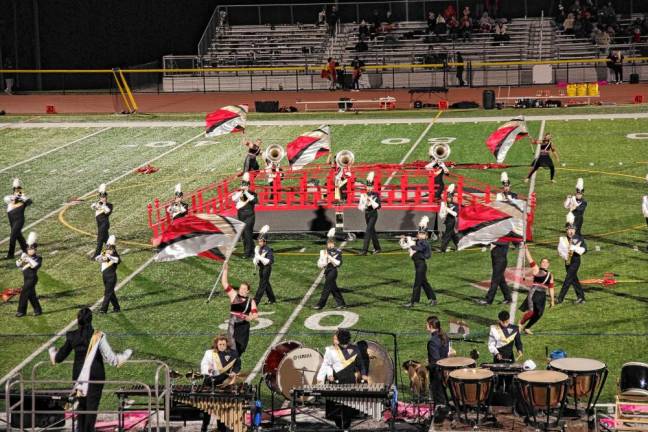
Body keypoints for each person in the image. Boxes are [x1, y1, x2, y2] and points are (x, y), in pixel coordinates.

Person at [49, 308, 132, 432]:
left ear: (78, 320)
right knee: (91, 407)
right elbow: (110, 357)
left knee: (81, 406)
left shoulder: (72, 336)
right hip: (95, 375)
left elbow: (59, 358)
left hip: (78, 376)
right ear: (91, 320)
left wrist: (52, 351)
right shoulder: (98, 335)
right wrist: (123, 356)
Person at [316, 329, 368, 430]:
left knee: (348, 407)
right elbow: (326, 364)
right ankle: (340, 425)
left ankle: (345, 426)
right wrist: (323, 377)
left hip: (349, 381)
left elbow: (361, 364)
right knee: (335, 408)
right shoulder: (331, 350)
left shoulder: (355, 349)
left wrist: (363, 374)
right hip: (335, 381)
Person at [199, 334, 241, 432]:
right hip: (210, 383)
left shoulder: (233, 353)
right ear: (216, 345)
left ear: (227, 344)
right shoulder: (209, 353)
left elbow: (238, 364)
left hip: (223, 384)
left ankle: (221, 428)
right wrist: (208, 369)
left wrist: (234, 372)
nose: (222, 346)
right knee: (207, 407)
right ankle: (204, 425)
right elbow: (203, 365)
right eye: (220, 344)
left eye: (223, 344)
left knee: (221, 408)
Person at [221, 262, 258, 356]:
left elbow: (255, 314)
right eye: (241, 288)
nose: (241, 290)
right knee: (232, 348)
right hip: (233, 325)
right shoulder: (233, 295)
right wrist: (225, 270)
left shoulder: (251, 301)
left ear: (248, 291)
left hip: (244, 327)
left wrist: (251, 318)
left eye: (244, 289)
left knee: (240, 349)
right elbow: (224, 283)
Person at [400, 216, 437, 308]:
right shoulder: (419, 241)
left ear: (426, 236)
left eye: (423, 234)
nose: (420, 235)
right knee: (424, 283)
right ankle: (433, 299)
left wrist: (412, 245)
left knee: (417, 283)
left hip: (421, 265)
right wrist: (406, 240)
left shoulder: (424, 242)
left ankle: (413, 302)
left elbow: (420, 248)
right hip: (418, 265)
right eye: (419, 233)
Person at [519, 245, 555, 334]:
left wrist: (552, 300)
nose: (544, 263)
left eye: (546, 262)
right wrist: (526, 249)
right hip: (534, 293)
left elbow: (551, 288)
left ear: (549, 264)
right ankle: (520, 323)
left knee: (539, 314)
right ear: (541, 263)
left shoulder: (550, 275)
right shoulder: (536, 269)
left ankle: (527, 328)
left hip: (542, 295)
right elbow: (530, 259)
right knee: (531, 312)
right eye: (543, 262)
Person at [556, 214, 587, 304]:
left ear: (575, 230)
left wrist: (574, 248)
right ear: (566, 230)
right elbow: (560, 250)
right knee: (574, 279)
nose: (571, 232)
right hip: (567, 261)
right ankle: (581, 297)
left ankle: (560, 298)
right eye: (569, 230)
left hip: (575, 261)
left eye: (572, 230)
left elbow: (584, 250)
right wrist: (565, 255)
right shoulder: (563, 239)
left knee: (568, 279)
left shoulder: (579, 238)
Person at [315, 228, 346, 310]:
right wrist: (322, 263)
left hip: (333, 271)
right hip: (327, 271)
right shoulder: (323, 252)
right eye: (329, 244)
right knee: (333, 288)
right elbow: (319, 264)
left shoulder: (338, 252)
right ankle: (341, 303)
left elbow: (338, 263)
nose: (330, 245)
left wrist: (329, 257)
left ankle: (320, 304)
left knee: (326, 288)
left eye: (331, 244)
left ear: (334, 244)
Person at [426, 316, 449, 423]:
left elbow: (436, 361)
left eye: (427, 324)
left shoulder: (432, 341)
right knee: (443, 396)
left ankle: (439, 423)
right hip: (445, 372)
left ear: (431, 326)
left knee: (439, 399)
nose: (425, 326)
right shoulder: (444, 336)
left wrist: (426, 367)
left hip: (437, 374)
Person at [15, 232, 43, 317]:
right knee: (31, 295)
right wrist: (21, 259)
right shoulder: (25, 257)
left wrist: (28, 258)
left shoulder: (38, 258)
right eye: (29, 249)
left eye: (32, 249)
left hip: (32, 278)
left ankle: (21, 311)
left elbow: (35, 265)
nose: (30, 250)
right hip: (26, 278)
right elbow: (17, 265)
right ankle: (38, 310)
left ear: (35, 250)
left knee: (24, 293)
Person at [4, 178, 32, 260]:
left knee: (13, 236)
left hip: (18, 220)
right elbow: (7, 199)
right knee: (19, 236)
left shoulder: (22, 197)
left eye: (18, 189)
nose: (17, 190)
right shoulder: (10, 197)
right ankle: (26, 250)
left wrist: (21, 198)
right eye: (16, 189)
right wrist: (17, 197)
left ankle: (10, 254)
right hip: (12, 220)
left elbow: (29, 202)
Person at [479, 240, 512, 305]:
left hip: (500, 262)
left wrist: (491, 242)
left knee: (495, 281)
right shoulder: (498, 237)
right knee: (501, 281)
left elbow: (504, 242)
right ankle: (508, 298)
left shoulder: (504, 238)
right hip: (496, 261)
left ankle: (489, 300)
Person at [231, 172, 257, 258]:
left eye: (245, 185)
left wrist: (246, 192)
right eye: (243, 185)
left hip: (249, 215)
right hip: (241, 215)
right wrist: (241, 192)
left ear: (248, 186)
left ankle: (247, 253)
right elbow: (233, 199)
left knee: (247, 233)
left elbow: (254, 201)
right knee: (244, 234)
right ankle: (252, 251)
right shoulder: (239, 194)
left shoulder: (252, 194)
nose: (243, 186)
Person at [96, 235, 121, 314]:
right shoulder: (105, 252)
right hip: (105, 275)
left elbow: (118, 260)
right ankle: (116, 307)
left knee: (107, 293)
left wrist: (109, 256)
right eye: (107, 245)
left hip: (111, 277)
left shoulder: (114, 254)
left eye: (109, 246)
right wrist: (101, 256)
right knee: (110, 293)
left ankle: (103, 309)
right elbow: (98, 259)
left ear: (113, 246)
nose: (108, 247)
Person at [358, 171, 381, 255]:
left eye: (370, 187)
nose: (369, 188)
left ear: (373, 187)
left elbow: (378, 206)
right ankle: (377, 248)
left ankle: (364, 250)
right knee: (372, 231)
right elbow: (360, 207)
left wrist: (370, 200)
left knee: (368, 231)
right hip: (366, 214)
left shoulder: (376, 195)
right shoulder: (363, 195)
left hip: (373, 214)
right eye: (368, 186)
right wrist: (364, 204)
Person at [253, 225, 276, 305]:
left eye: (261, 241)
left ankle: (256, 301)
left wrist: (259, 256)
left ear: (265, 242)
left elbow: (268, 261)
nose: (259, 243)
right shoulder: (258, 249)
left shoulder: (268, 250)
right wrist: (255, 259)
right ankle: (272, 299)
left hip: (267, 269)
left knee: (262, 285)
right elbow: (255, 260)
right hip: (261, 268)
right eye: (259, 241)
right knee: (266, 284)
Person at [91, 183, 113, 259]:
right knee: (107, 240)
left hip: (104, 224)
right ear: (100, 198)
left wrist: (103, 205)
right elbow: (93, 207)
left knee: (100, 240)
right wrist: (94, 205)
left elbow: (108, 211)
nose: (103, 198)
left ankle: (96, 256)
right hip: (100, 225)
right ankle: (112, 253)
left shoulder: (109, 205)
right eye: (102, 197)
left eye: (104, 197)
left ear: (106, 197)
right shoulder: (98, 204)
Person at [439, 185, 460, 252]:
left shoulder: (455, 205)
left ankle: (443, 248)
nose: (448, 199)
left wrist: (447, 209)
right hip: (447, 221)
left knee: (447, 235)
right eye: (447, 198)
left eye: (449, 198)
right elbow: (441, 215)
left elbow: (455, 214)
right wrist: (443, 208)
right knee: (453, 235)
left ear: (452, 198)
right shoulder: (445, 204)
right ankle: (459, 245)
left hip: (451, 221)